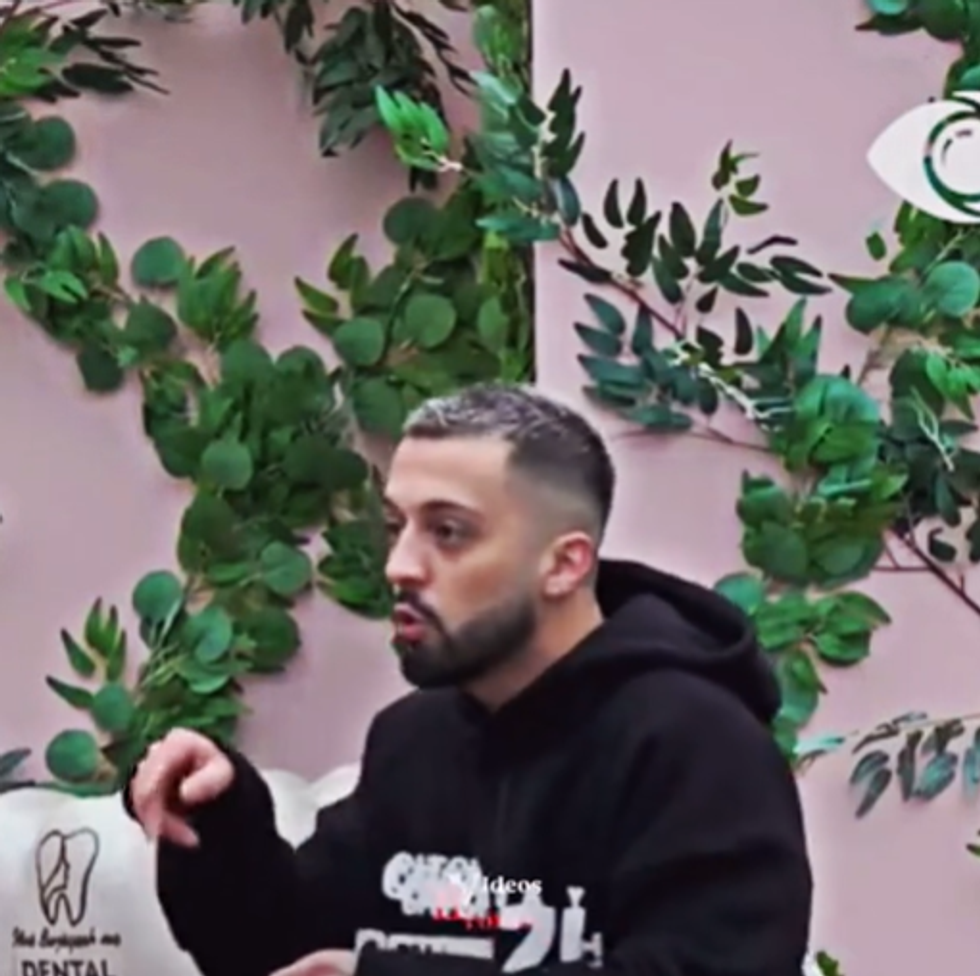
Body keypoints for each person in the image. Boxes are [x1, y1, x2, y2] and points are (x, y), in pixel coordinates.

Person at [125, 382, 813, 976]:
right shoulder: (414, 739)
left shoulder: (698, 745)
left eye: (448, 531)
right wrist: (218, 816)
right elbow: (286, 949)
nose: (399, 565)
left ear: (564, 564)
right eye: (396, 526)